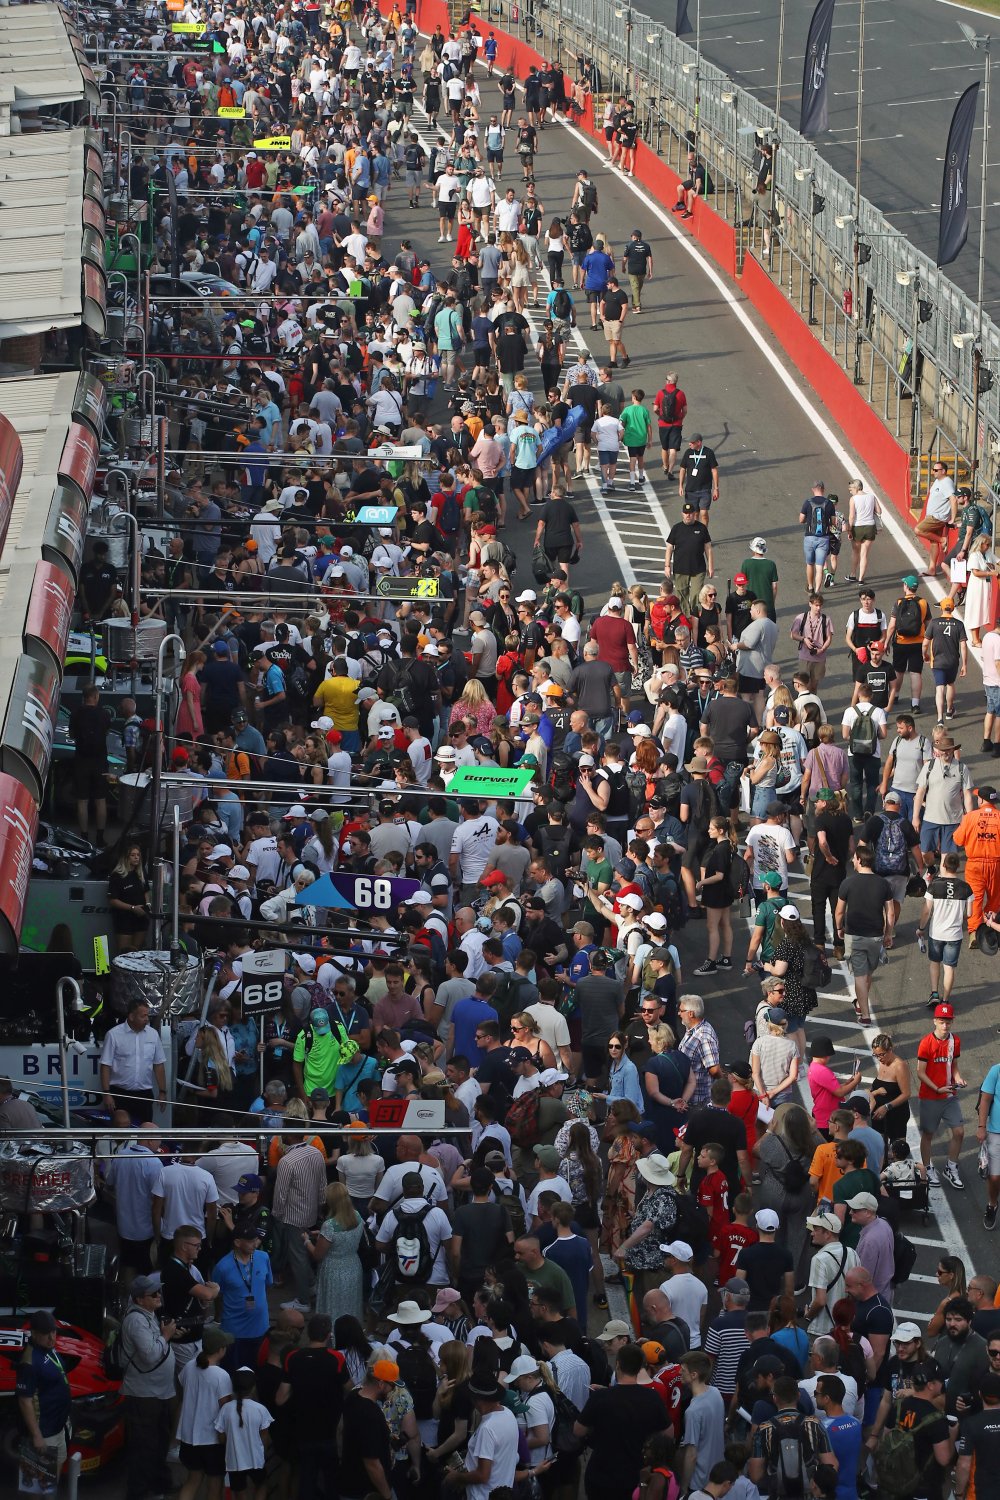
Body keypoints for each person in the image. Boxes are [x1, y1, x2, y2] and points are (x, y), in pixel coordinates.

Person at [575, 1343, 669, 1500]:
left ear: (618, 1365)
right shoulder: (652, 1398)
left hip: (602, 1476)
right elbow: (668, 1433)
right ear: (641, 1367)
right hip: (636, 1474)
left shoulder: (601, 1397)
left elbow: (578, 1430)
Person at [119, 1275, 177, 1500]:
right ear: (140, 1299)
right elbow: (150, 1355)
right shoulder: (135, 1320)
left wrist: (166, 1336)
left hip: (158, 1392)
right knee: (144, 1447)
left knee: (160, 1442)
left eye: (158, 1292)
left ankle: (159, 1483)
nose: (158, 1296)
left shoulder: (149, 1314)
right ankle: (139, 1492)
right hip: (143, 1395)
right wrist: (165, 1336)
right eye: (153, 1294)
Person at [15, 1310, 72, 1480]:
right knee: (39, 1483)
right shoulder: (29, 1362)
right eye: (46, 1334)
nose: (52, 1338)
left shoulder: (48, 1348)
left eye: (54, 1332)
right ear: (34, 1334)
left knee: (53, 1476)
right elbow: (24, 1400)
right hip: (44, 1432)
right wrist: (37, 1436)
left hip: (58, 1426)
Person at [917, 1002, 967, 1190]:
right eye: (941, 1022)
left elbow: (954, 1066)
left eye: (948, 1022)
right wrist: (937, 1088)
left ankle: (951, 1167)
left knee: (959, 1132)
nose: (945, 1026)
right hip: (931, 1096)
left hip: (949, 1096)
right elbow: (920, 1072)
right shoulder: (926, 1043)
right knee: (928, 1134)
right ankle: (927, 1168)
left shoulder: (955, 1041)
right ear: (935, 1021)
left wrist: (958, 1079)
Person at [99, 999, 167, 1121]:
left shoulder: (153, 1034)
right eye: (143, 1016)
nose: (147, 1019)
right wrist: (106, 1093)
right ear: (131, 1016)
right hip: (120, 1094)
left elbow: (159, 1065)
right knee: (121, 1128)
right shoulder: (113, 1035)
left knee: (145, 1128)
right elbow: (105, 1065)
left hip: (144, 1094)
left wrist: (162, 1091)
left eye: (147, 1015)